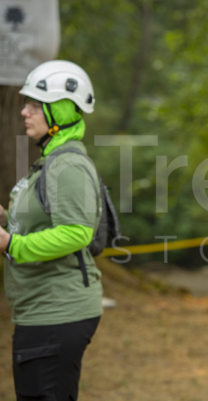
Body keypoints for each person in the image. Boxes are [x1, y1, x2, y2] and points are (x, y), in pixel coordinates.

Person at [0, 60, 102, 401]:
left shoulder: (68, 163)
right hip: (41, 311)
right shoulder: (51, 159)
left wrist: (11, 244)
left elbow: (76, 233)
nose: (24, 112)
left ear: (58, 112)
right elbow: (37, 220)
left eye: (33, 105)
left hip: (56, 312)